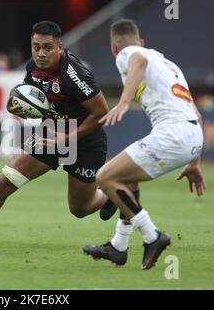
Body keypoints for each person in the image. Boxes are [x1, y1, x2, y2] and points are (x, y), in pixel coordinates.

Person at [0, 20, 122, 249]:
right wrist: (15, 107)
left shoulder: (75, 75)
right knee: (4, 183)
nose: (41, 53)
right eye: (36, 47)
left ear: (60, 47)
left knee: (80, 209)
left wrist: (66, 140)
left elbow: (101, 114)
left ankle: (109, 195)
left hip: (85, 142)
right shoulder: (33, 68)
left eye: (47, 47)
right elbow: (26, 99)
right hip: (49, 135)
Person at [83, 19, 206, 270]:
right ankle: (119, 246)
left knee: (105, 177)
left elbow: (138, 61)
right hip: (192, 135)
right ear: (141, 41)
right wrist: (194, 163)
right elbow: (198, 115)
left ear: (114, 47)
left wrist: (125, 101)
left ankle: (152, 236)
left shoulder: (129, 54)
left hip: (172, 134)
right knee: (127, 178)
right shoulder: (169, 65)